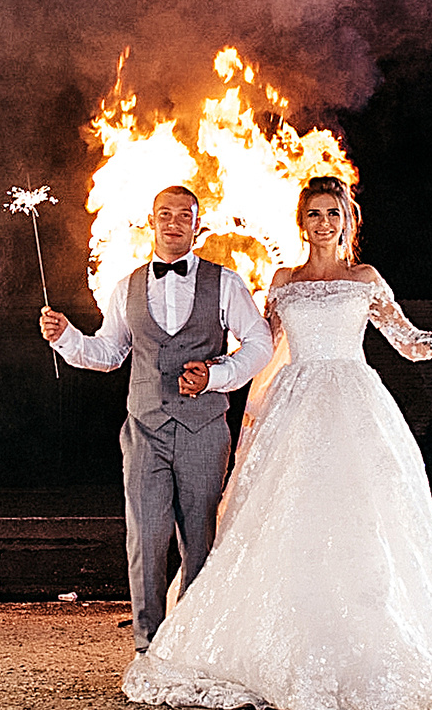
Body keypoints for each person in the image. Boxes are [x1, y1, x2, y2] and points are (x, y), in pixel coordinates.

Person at [121, 174, 432, 710]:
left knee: (359, 524)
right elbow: (260, 348)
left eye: (333, 214)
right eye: (314, 215)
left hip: (355, 405)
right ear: (301, 221)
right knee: (285, 521)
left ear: (347, 220)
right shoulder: (282, 281)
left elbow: (410, 343)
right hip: (294, 407)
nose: (323, 224)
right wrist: (217, 378)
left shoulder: (366, 278)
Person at [40, 184, 275, 652]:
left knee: (201, 538)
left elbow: (261, 345)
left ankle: (197, 642)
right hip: (144, 429)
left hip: (204, 430)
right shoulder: (126, 287)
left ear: (197, 225)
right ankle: (148, 645)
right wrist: (67, 338)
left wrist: (215, 375)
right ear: (151, 221)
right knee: (145, 538)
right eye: (163, 214)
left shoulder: (225, 282)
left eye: (183, 215)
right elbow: (108, 353)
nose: (172, 223)